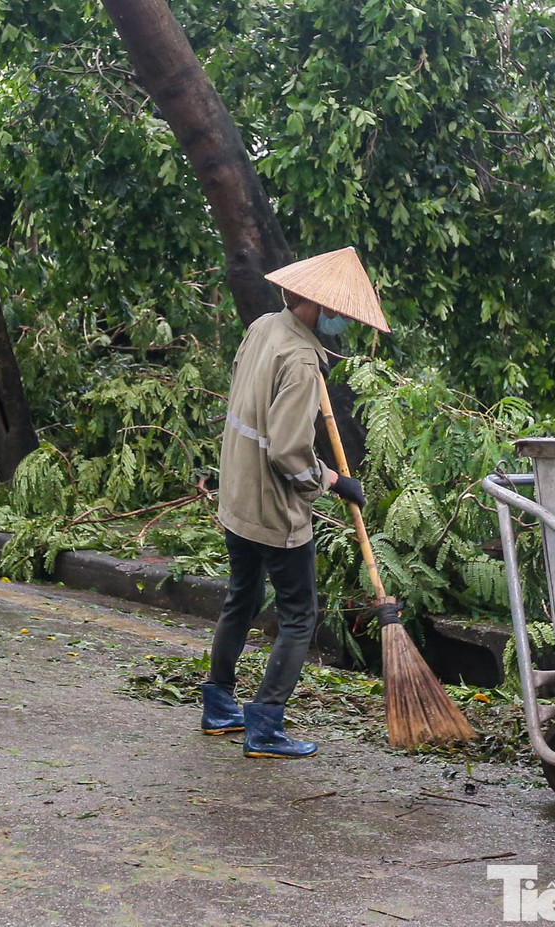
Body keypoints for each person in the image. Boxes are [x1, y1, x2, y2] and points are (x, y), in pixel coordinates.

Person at [199, 247, 391, 759]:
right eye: (339, 313)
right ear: (313, 305)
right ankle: (265, 726)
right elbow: (287, 453)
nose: (341, 322)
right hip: (273, 512)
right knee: (299, 614)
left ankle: (218, 704)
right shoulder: (303, 362)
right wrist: (333, 480)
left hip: (236, 495)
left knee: (242, 596)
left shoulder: (264, 327)